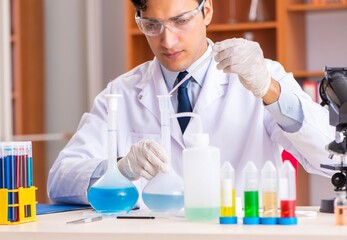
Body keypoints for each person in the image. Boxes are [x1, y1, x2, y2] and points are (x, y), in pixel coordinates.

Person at [47, 0, 334, 205]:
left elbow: (331, 159)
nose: (168, 41)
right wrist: (120, 168)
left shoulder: (262, 76)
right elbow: (59, 180)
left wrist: (270, 90)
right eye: (151, 25)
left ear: (206, 10)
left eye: (181, 21)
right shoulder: (122, 92)